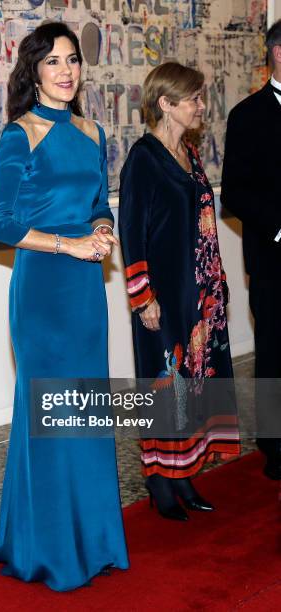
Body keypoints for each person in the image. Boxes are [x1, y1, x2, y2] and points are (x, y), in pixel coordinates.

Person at [0, 22, 129, 591]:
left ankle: (93, 541)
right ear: (34, 72)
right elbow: (0, 223)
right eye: (54, 61)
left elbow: (94, 202)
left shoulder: (92, 131)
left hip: (85, 291)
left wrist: (103, 229)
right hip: (42, 292)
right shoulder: (20, 135)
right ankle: (51, 548)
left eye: (73, 60)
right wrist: (71, 244)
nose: (66, 71)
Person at [118, 62, 240, 521]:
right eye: (193, 99)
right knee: (164, 385)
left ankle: (183, 472)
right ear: (166, 103)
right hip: (163, 298)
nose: (201, 106)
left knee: (193, 384)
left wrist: (216, 284)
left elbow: (203, 225)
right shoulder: (143, 159)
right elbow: (131, 230)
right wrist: (141, 295)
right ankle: (158, 479)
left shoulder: (189, 152)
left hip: (200, 295)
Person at [221, 20, 281, 480]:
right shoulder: (246, 115)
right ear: (277, 54)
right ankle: (275, 446)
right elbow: (235, 195)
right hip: (273, 258)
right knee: (275, 351)